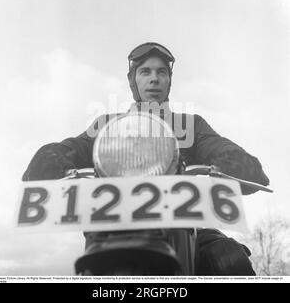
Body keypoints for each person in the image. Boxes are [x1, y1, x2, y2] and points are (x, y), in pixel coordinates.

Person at [22, 42, 269, 275]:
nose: (154, 78)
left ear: (169, 81)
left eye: (162, 72)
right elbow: (76, 147)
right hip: (112, 227)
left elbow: (218, 146)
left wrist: (235, 161)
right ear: (134, 81)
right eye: (145, 72)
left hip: (181, 228)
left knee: (227, 257)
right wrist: (51, 158)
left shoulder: (191, 125)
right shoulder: (108, 125)